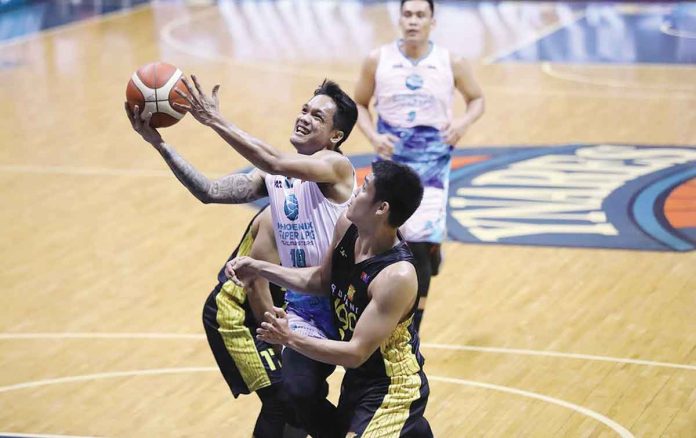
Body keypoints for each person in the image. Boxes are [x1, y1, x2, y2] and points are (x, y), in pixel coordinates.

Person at [125, 77, 358, 437]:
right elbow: (209, 191)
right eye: (304, 109)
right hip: (301, 306)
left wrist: (215, 119)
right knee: (294, 394)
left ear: (335, 137)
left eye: (318, 117)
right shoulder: (275, 176)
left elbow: (275, 161)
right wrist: (160, 144)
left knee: (369, 391)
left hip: (345, 303)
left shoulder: (335, 166)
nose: (305, 117)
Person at [226, 160, 432, 437]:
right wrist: (259, 267)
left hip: (393, 386)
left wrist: (289, 338)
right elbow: (322, 280)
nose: (355, 191)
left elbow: (356, 353)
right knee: (299, 396)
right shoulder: (347, 225)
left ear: (382, 208)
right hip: (359, 382)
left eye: (364, 189)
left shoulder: (396, 276)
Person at [354, 0, 485, 331]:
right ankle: (384, 299)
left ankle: (413, 326)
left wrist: (461, 125)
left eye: (420, 15)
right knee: (386, 238)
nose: (413, 21)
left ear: (432, 21)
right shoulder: (377, 59)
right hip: (391, 161)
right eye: (408, 15)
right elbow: (358, 102)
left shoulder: (451, 61)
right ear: (399, 19)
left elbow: (477, 99)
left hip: (432, 162)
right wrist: (372, 136)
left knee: (417, 243)